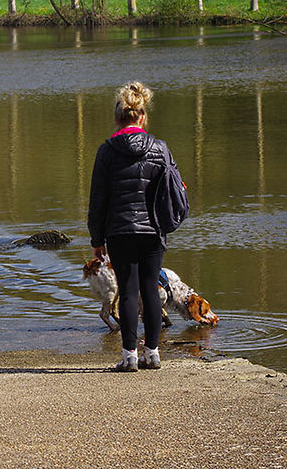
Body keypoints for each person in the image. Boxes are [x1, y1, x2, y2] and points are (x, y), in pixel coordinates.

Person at [88, 82, 176, 372]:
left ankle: (128, 356)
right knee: (150, 289)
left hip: (119, 230)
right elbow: (173, 190)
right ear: (142, 117)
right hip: (152, 230)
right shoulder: (160, 148)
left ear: (118, 118)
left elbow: (98, 198)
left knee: (127, 291)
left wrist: (96, 238)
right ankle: (152, 354)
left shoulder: (106, 150)